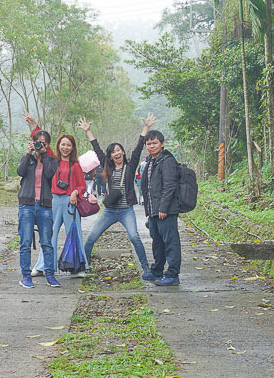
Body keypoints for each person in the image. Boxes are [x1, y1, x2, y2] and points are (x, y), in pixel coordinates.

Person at [77, 114, 156, 277]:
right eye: (113, 152)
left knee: (134, 237)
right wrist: (88, 131)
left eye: (118, 150)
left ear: (122, 152)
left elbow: (139, 146)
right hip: (109, 211)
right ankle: (82, 266)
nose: (116, 153)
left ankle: (146, 268)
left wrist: (146, 127)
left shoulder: (131, 164)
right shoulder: (108, 166)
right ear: (111, 156)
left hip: (126, 210)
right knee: (91, 237)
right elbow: (97, 149)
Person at [31, 133, 89, 278]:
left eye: (69, 145)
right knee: (49, 234)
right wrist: (34, 125)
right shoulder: (52, 160)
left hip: (70, 203)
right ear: (58, 146)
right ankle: (43, 266)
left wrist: (75, 192)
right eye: (63, 144)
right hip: (54, 201)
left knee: (74, 234)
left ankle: (78, 267)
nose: (65, 147)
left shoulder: (75, 165)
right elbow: (42, 142)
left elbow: (82, 185)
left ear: (73, 147)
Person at [17, 129, 59, 288]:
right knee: (25, 242)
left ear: (47, 145)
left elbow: (50, 174)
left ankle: (50, 275)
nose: (40, 144)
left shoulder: (51, 161)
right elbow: (20, 172)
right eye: (37, 141)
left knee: (47, 242)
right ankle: (26, 276)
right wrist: (29, 154)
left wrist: (45, 154)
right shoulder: (27, 159)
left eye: (44, 142)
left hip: (45, 206)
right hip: (26, 205)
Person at [141, 129, 181, 286]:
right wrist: (150, 211)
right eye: (149, 144)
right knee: (157, 242)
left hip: (166, 210)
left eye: (155, 143)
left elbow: (170, 185)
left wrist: (163, 208)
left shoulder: (167, 160)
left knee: (170, 242)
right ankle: (157, 270)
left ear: (162, 144)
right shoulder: (151, 161)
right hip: (153, 210)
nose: (151, 146)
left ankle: (172, 274)